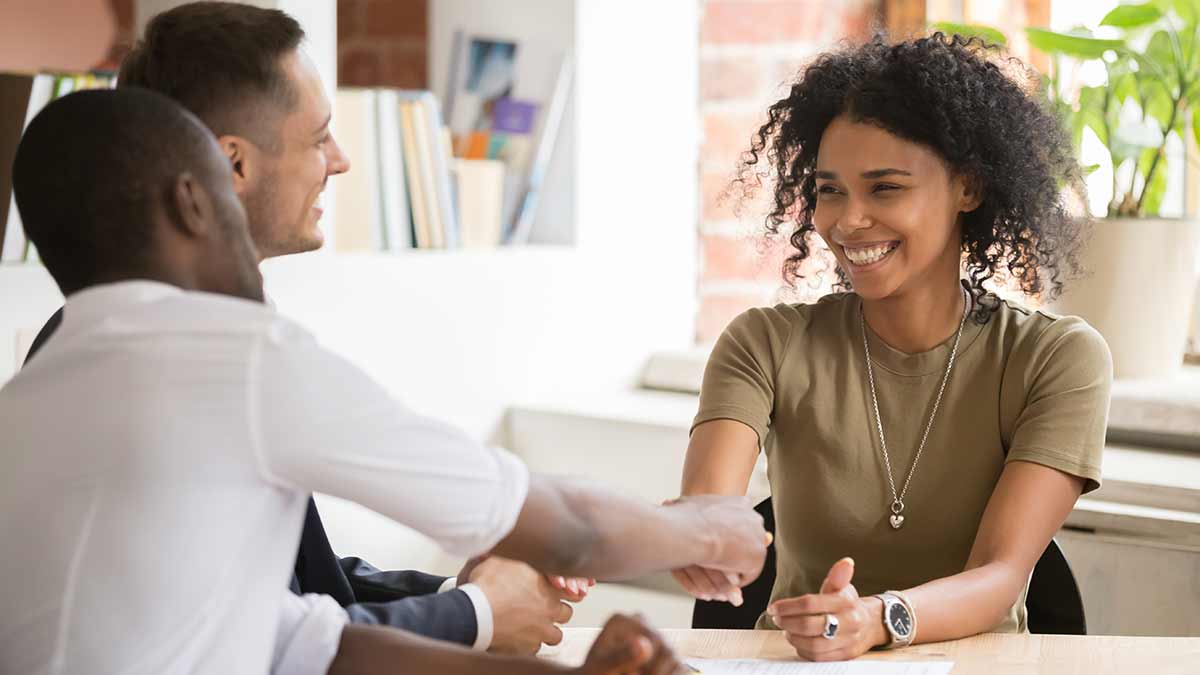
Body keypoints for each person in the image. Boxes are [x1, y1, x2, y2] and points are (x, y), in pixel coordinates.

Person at [1, 86, 763, 674]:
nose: (337, 159)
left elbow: (309, 644)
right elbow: (569, 525)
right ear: (193, 200)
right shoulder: (232, 353)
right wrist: (710, 528)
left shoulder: (27, 401)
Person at [20, 1, 588, 656]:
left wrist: (462, 591)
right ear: (231, 165)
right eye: (319, 138)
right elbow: (270, 643)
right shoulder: (169, 362)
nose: (341, 161)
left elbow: (301, 584)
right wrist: (475, 613)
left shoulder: (182, 338)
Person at [674, 33, 1112, 661]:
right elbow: (709, 509)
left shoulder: (1055, 359)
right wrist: (696, 537)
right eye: (829, 190)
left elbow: (1001, 575)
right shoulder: (763, 345)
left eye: (884, 188)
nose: (848, 221)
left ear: (968, 188)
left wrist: (878, 619)